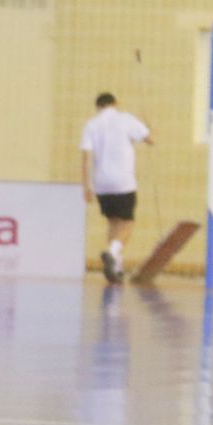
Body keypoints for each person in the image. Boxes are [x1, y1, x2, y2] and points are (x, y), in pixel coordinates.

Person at [80, 92, 153, 282]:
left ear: (98, 107)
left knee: (112, 222)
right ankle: (112, 253)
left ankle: (116, 266)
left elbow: (86, 157)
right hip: (123, 181)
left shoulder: (91, 125)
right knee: (127, 222)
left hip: (102, 182)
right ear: (115, 104)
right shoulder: (126, 119)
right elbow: (150, 139)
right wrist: (148, 129)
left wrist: (86, 185)